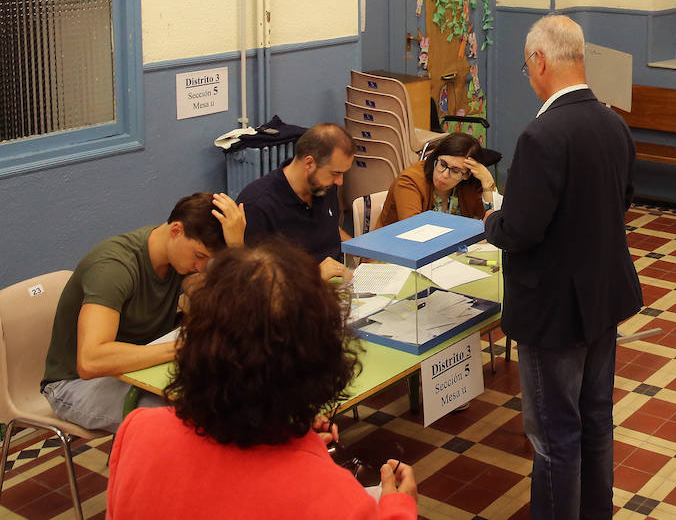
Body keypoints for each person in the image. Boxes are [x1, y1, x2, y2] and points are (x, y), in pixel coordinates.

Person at [106, 241, 418, 519]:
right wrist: (398, 509)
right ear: (317, 364)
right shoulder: (336, 499)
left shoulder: (138, 431)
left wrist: (299, 441)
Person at [483, 14, 642, 520]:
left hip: (552, 312)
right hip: (602, 299)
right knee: (596, 422)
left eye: (527, 66)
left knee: (554, 437)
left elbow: (522, 230)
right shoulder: (614, 123)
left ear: (539, 60)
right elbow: (623, 200)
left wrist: (492, 219)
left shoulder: (541, 135)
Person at [41, 192, 244, 433]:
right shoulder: (115, 268)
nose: (201, 268)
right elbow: (91, 361)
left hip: (136, 371)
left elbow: (234, 309)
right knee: (182, 422)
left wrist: (237, 249)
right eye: (199, 256)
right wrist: (181, 347)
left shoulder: (178, 257)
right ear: (176, 230)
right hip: (73, 384)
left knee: (229, 395)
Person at [239, 122, 354, 281]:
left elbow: (331, 228)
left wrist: (360, 249)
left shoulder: (324, 186)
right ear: (309, 163)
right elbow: (253, 281)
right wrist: (313, 275)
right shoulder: (258, 205)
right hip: (294, 296)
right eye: (335, 173)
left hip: (339, 285)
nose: (339, 181)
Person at [376, 131, 502, 227]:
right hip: (393, 255)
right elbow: (414, 231)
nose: (445, 175)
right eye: (442, 164)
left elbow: (490, 223)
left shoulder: (470, 185)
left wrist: (487, 181)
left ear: (467, 175)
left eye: (455, 171)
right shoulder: (409, 181)